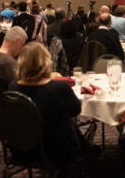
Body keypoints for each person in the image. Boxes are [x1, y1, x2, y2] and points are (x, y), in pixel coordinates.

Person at [9, 43, 84, 173]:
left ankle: (86, 149)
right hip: (56, 150)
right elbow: (76, 110)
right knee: (69, 124)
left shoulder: (13, 87)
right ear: (46, 62)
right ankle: (86, 151)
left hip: (22, 148)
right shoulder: (59, 88)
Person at [0, 26, 27, 96]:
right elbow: (20, 88)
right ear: (17, 41)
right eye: (22, 45)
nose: (22, 49)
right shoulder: (7, 62)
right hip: (10, 101)